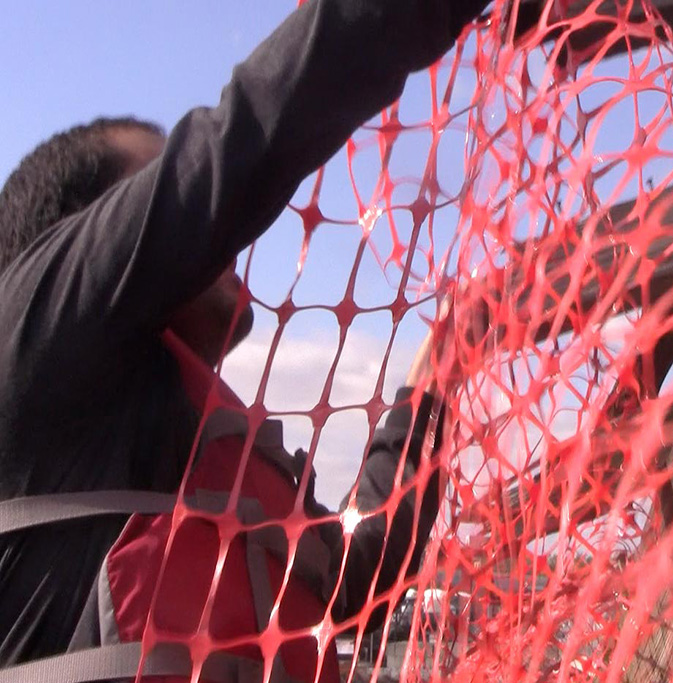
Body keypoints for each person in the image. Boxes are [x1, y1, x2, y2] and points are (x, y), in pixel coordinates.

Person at [0, 0, 488, 676]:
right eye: (156, 189)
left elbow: (361, 571)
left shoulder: (199, 449)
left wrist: (435, 376)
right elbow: (254, 127)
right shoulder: (29, 331)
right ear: (81, 242)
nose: (208, 225)